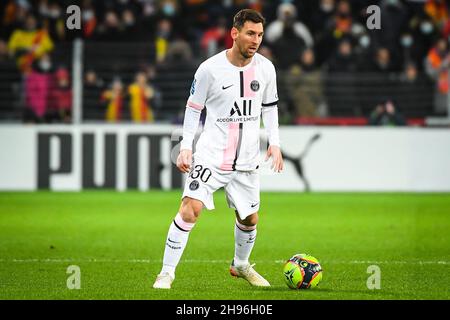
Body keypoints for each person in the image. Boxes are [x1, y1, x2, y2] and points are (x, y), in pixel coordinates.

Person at [153, 9, 284, 289]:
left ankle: (240, 265)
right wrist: (186, 147)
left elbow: (269, 108)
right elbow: (193, 109)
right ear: (234, 33)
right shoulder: (209, 69)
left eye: (260, 34)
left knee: (249, 218)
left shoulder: (266, 68)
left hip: (247, 159)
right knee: (190, 209)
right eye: (250, 33)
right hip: (211, 156)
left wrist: (274, 142)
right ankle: (166, 273)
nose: (256, 40)